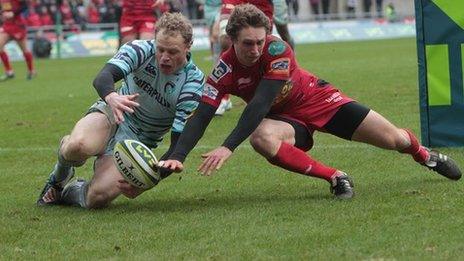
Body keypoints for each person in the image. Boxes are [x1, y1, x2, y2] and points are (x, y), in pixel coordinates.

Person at [159, 4, 462, 199]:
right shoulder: (223, 70)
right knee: (262, 138)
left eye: (259, 42)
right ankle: (336, 177)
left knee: (395, 140)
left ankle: (425, 156)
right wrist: (180, 155)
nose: (255, 49)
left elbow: (260, 103)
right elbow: (202, 114)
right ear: (231, 41)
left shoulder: (277, 50)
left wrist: (227, 145)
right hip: (286, 120)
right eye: (247, 44)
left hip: (320, 101)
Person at [37, 12, 204, 209]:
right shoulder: (140, 49)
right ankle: (59, 176)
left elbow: (177, 145)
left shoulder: (192, 82)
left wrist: (150, 179)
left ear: (188, 46)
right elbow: (104, 76)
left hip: (136, 142)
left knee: (96, 199)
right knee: (77, 145)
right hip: (111, 114)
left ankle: (71, 191)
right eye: (161, 49)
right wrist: (112, 97)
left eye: (173, 52)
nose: (164, 58)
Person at [0, 0, 35, 81]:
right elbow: (3, 9)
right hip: (7, 26)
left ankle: (31, 71)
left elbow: (25, 7)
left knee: (24, 50)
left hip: (18, 25)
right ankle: (9, 72)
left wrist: (13, 13)